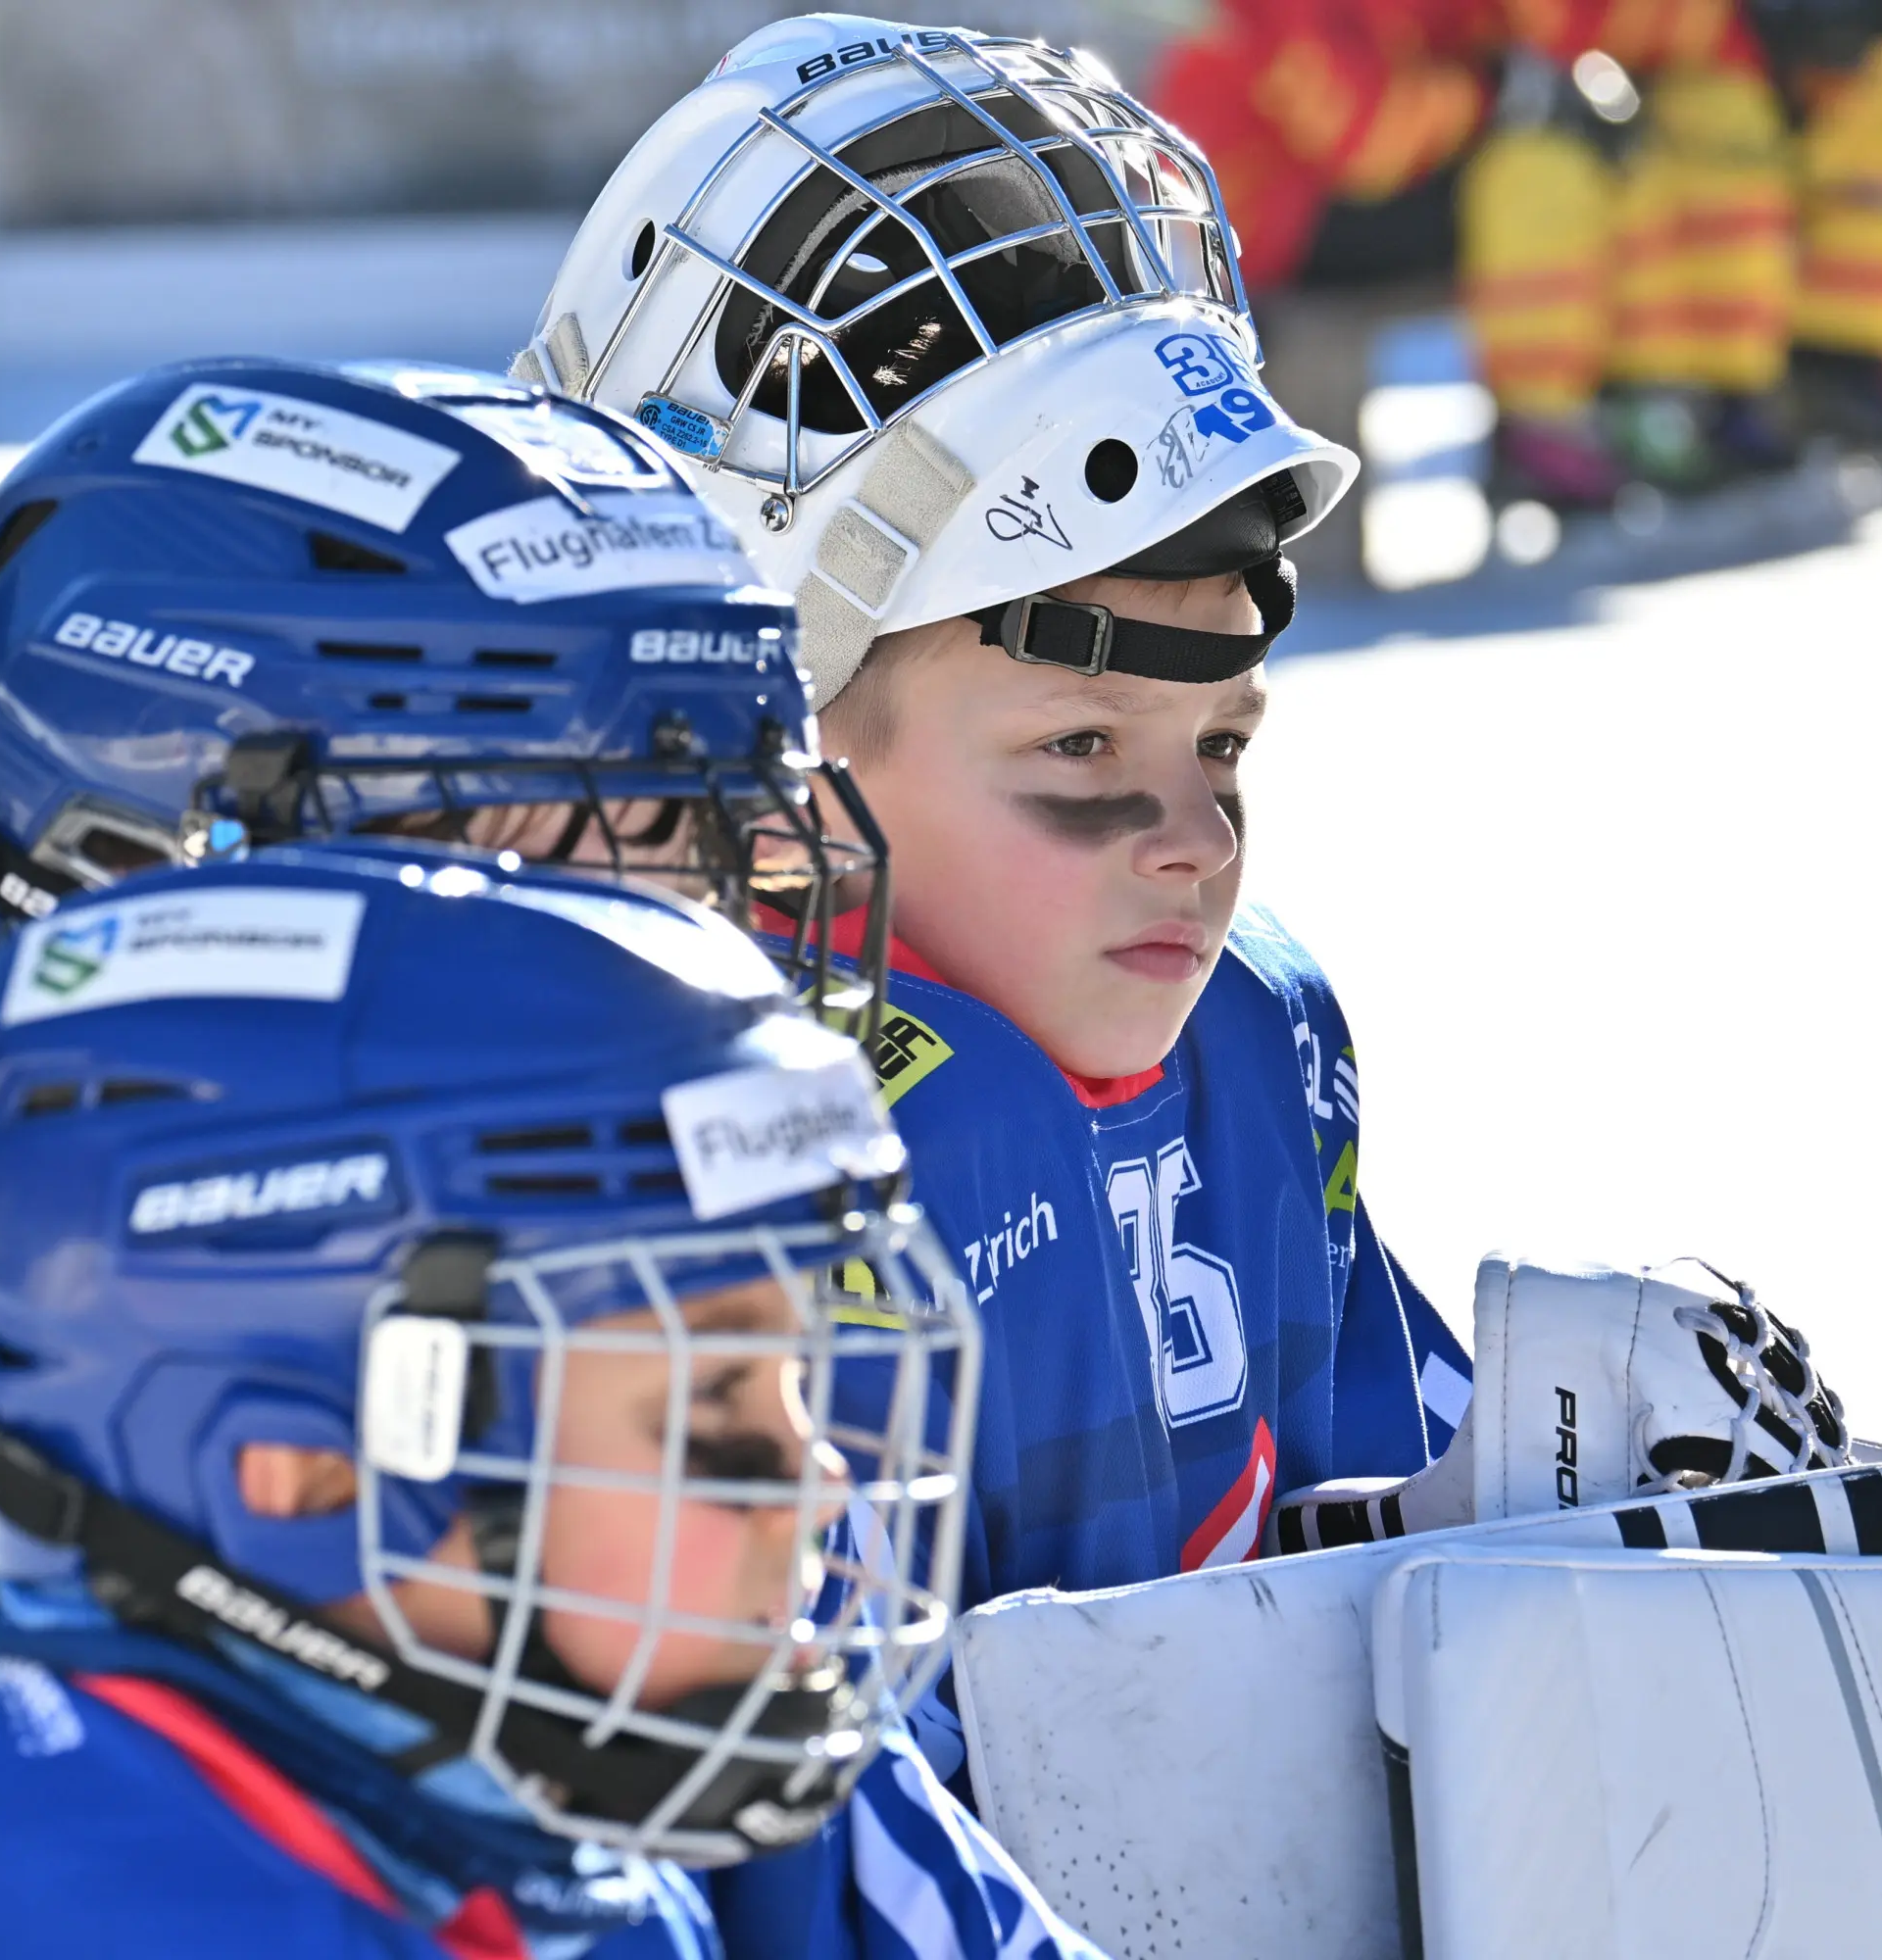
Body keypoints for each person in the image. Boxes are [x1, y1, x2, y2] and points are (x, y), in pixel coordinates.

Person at [0, 359, 905, 1958]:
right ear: (172, 877)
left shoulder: (599, 1311)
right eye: (624, 859)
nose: (731, 942)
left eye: (729, 845)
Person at [520, 16, 1472, 1761]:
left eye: (1224, 753)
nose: (1192, 840)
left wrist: (1595, 1481)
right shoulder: (662, 1143)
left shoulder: (1260, 1031)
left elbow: (1372, 1504)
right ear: (777, 754)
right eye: (1080, 759)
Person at [0, 848, 1088, 1958]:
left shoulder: (508, 1829)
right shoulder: (113, 1912)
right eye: (713, 1415)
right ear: (314, 1471)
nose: (819, 1484)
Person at [1148, 0, 1882, 501]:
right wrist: (1506, 91)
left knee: (1686, 128)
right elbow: (1366, 133)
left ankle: (1777, 376)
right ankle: (1570, 422)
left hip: (1368, 181)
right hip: (1260, 227)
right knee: (1554, 169)